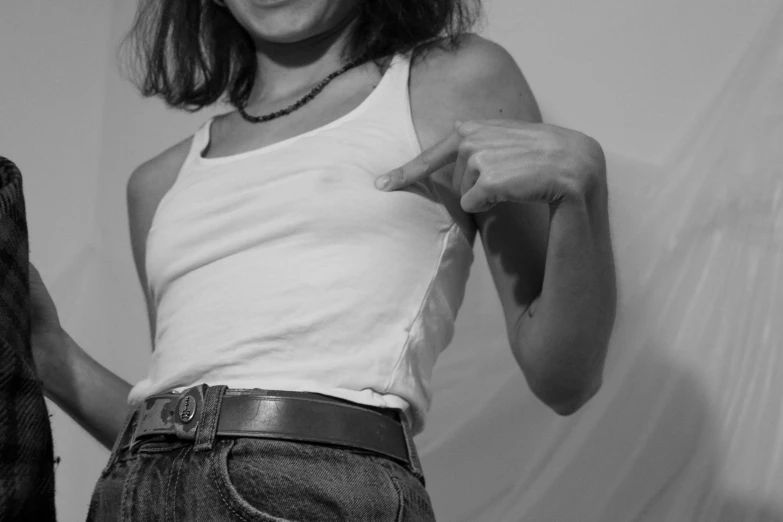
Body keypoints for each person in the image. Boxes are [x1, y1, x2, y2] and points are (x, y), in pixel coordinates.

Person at [29, 0, 617, 520]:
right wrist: (48, 353)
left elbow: (564, 380)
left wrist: (583, 188)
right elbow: (180, 425)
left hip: (320, 491)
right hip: (128, 496)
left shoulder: (455, 81)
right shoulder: (155, 184)